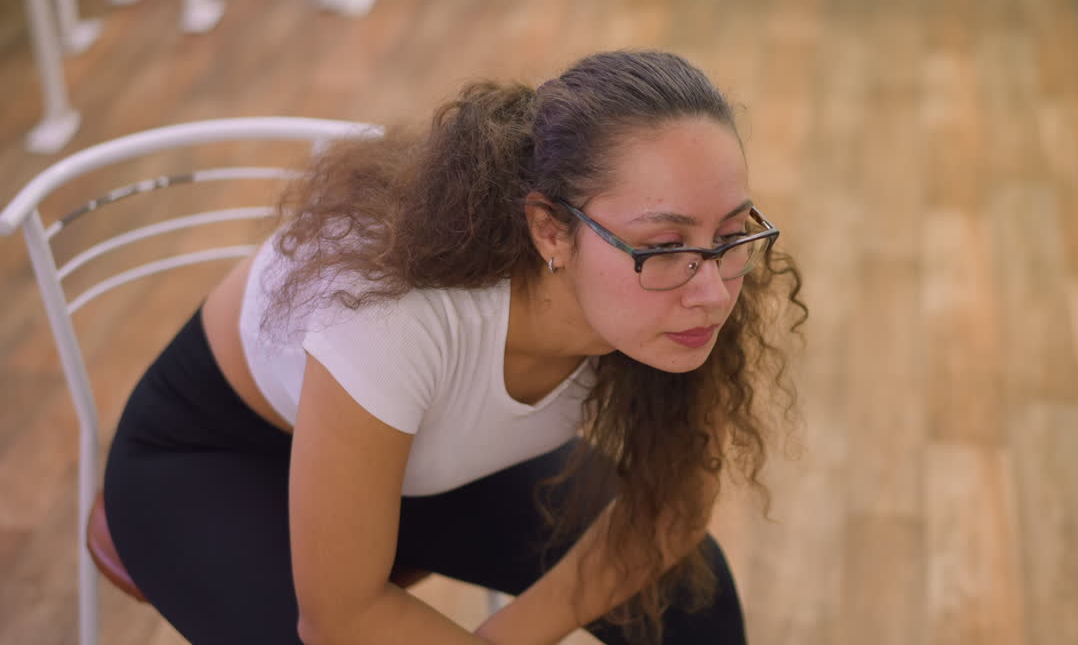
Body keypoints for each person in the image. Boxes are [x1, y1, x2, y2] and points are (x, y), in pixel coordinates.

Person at [103, 50, 806, 644]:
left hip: (431, 462)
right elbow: (339, 619)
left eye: (731, 232)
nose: (713, 292)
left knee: (690, 599)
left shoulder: (689, 284)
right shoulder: (396, 316)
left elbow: (672, 504)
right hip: (222, 459)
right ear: (551, 231)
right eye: (663, 245)